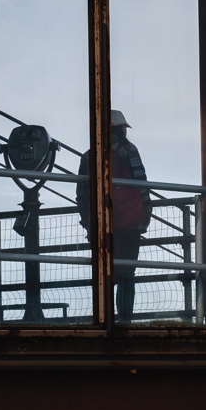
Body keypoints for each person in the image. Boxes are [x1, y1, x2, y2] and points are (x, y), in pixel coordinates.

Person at [77, 110, 150, 322]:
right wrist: (144, 215)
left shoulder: (89, 155)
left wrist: (88, 222)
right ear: (120, 128)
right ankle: (125, 320)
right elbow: (142, 183)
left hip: (100, 225)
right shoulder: (128, 149)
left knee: (104, 275)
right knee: (126, 274)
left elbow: (82, 194)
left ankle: (103, 319)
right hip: (129, 224)